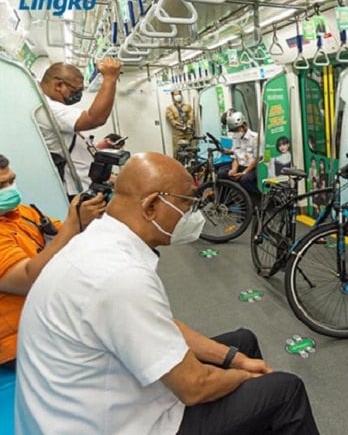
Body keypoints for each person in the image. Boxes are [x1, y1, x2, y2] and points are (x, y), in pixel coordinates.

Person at [14, 152, 319, 434]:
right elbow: (194, 387)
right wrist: (247, 376)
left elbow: (160, 324)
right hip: (109, 425)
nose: (192, 216)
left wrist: (235, 359)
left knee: (242, 342)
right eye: (187, 206)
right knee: (284, 390)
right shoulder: (119, 276)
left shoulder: (96, 240)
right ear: (151, 206)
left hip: (86, 402)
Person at [0, 154, 105, 367]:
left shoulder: (22, 213)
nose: (11, 189)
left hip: (54, 318)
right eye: (2, 185)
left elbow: (60, 236)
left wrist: (86, 218)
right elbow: (28, 279)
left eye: (12, 180)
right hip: (20, 341)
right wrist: (73, 225)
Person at [36, 58, 122, 200]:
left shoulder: (49, 104)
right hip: (75, 189)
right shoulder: (49, 109)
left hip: (84, 182)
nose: (79, 96)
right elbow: (95, 118)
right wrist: (110, 78)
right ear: (58, 85)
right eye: (76, 91)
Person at [219, 111, 260, 195]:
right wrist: (234, 169)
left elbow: (257, 159)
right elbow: (235, 156)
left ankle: (257, 199)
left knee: (244, 180)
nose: (235, 132)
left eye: (237, 129)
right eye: (233, 130)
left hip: (253, 168)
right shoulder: (236, 138)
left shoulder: (255, 138)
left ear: (244, 126)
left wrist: (244, 172)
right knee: (221, 173)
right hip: (240, 165)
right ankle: (227, 201)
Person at [165, 90, 195, 159]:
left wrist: (188, 124)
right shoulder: (170, 108)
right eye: (175, 95)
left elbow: (192, 116)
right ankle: (177, 164)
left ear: (181, 95)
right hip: (177, 133)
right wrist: (181, 126)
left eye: (178, 94)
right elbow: (172, 120)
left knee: (191, 148)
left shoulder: (187, 106)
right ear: (172, 97)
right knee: (177, 150)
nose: (177, 96)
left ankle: (192, 163)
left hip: (188, 131)